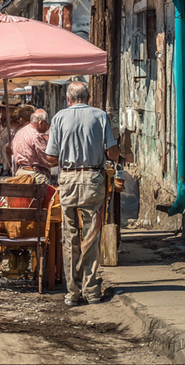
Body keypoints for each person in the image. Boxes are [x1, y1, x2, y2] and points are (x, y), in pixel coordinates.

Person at [43, 82, 118, 307]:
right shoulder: (100, 115)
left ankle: (72, 292)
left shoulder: (58, 118)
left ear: (68, 98)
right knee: (91, 235)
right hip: (93, 180)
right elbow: (111, 151)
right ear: (88, 96)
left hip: (68, 179)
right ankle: (92, 291)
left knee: (70, 236)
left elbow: (51, 158)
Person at [11, 108, 54, 184]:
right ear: (40, 123)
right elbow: (45, 158)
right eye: (46, 124)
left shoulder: (19, 133)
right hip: (34, 175)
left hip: (21, 173)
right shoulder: (35, 135)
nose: (47, 126)